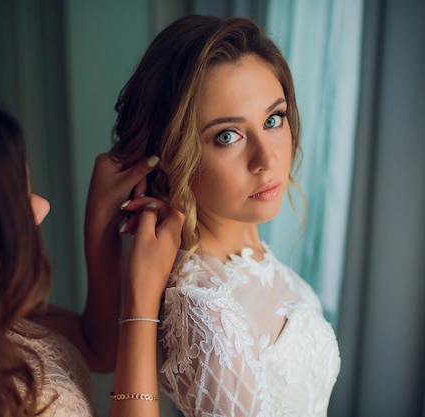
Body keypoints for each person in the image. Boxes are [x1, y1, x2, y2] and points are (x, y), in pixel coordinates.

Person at [106, 15, 341, 416]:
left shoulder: (247, 261)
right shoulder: (207, 311)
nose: (267, 160)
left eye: (273, 119)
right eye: (227, 136)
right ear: (169, 155)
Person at [0, 87, 183, 417]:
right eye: (17, 198)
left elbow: (96, 347)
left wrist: (102, 218)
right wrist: (142, 302)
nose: (42, 206)